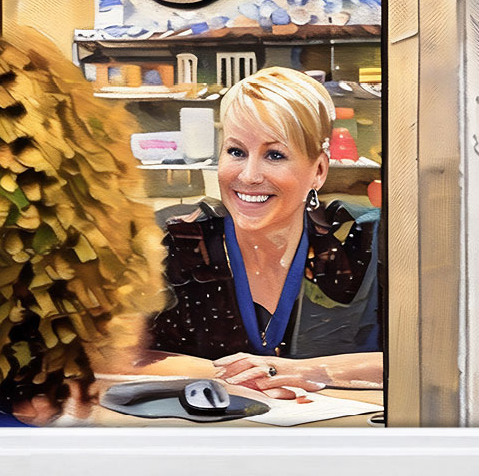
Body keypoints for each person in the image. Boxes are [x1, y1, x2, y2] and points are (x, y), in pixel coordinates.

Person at [149, 67, 384, 399]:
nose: (249, 175)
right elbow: (116, 354)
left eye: (275, 155)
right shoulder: (175, 240)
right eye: (236, 152)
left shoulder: (363, 239)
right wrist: (250, 376)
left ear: (318, 170)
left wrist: (303, 371)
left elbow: (424, 358)